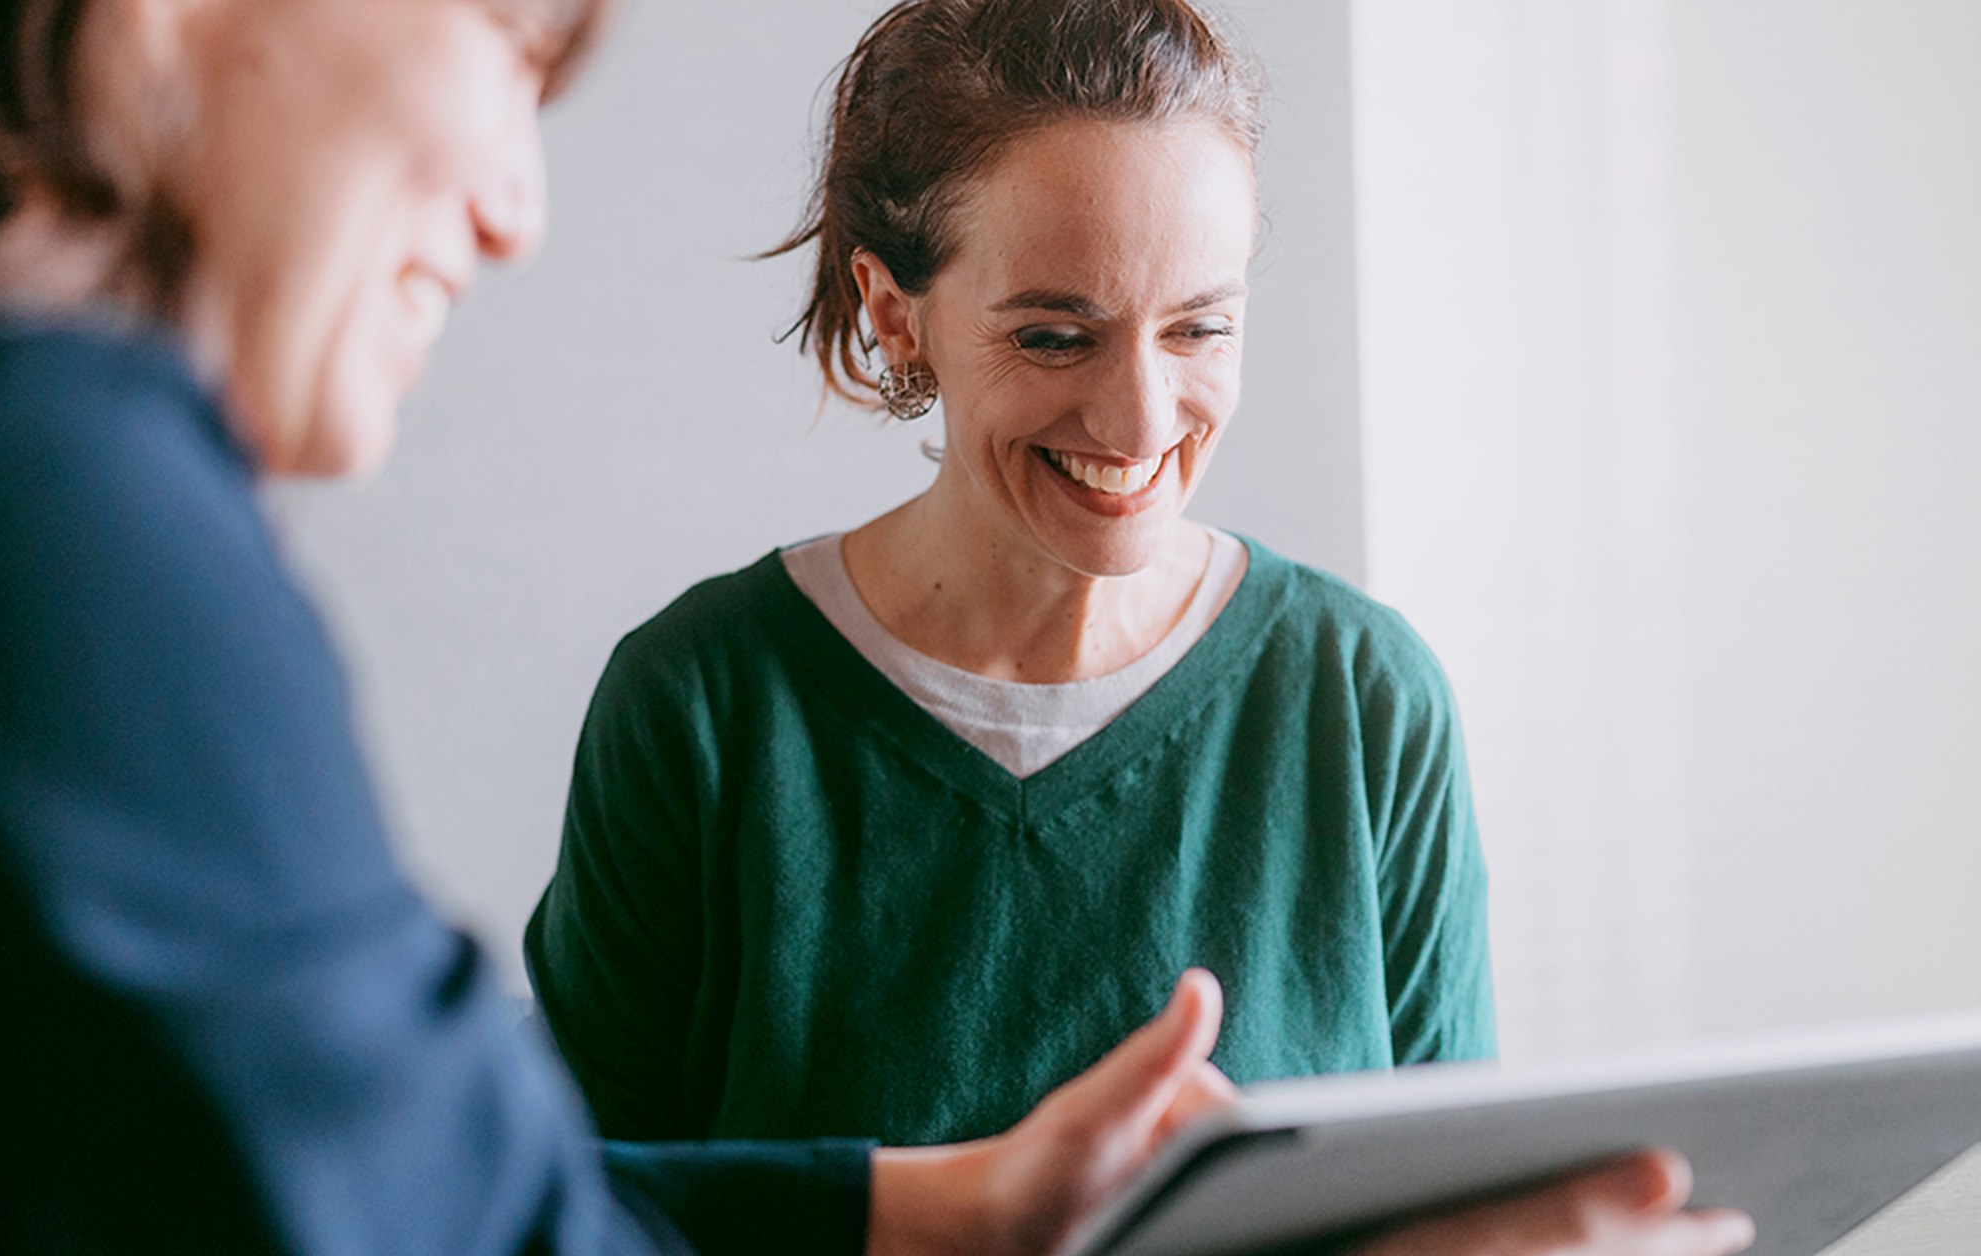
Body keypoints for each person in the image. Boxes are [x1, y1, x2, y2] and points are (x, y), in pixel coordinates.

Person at [0, 0, 1750, 1253]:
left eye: (1202, 327)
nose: (519, 201)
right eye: (502, 39)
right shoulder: (15, 497)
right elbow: (481, 1218)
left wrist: (962, 1214)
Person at [525, 0, 1490, 1149]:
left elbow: (1462, 1202)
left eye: (1198, 330)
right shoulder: (702, 705)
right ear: (896, 315)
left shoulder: (1364, 696)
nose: (1139, 418)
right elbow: (561, 1210)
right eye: (1055, 336)